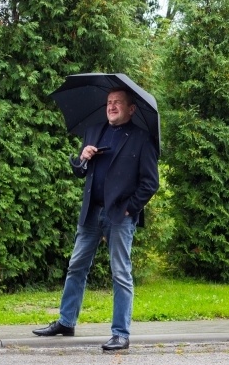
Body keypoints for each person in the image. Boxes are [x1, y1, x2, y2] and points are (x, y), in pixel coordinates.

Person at [33, 88, 159, 351]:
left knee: (120, 273)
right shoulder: (94, 131)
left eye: (118, 103)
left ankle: (120, 333)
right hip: (91, 212)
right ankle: (66, 321)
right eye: (109, 102)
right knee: (76, 266)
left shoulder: (141, 139)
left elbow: (150, 183)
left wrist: (130, 208)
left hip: (119, 216)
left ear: (131, 109)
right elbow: (80, 171)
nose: (111, 106)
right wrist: (82, 159)